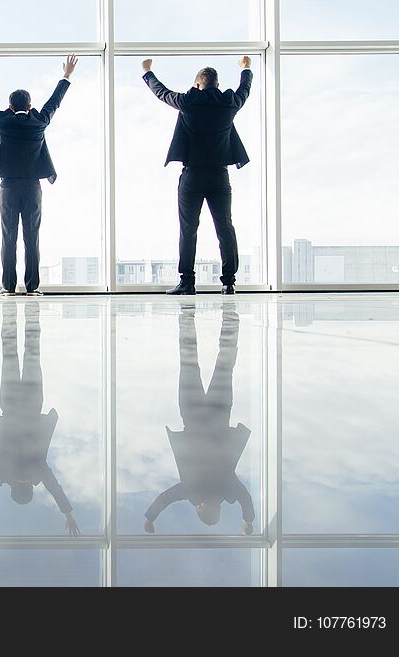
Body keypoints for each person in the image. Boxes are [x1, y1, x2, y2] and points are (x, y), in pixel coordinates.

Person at [0, 53, 78, 297]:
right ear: (30, 106)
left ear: (10, 106)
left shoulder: (1, 120)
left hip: (8, 188)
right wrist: (66, 76)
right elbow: (55, 101)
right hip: (33, 188)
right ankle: (32, 288)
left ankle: (9, 287)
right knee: (32, 237)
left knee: (8, 236)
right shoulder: (39, 121)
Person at [0, 300, 80, 538]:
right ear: (17, 487)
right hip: (12, 402)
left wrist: (68, 514)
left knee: (31, 353)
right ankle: (13, 313)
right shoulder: (6, 474)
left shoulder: (34, 473)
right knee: (11, 354)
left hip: (32, 402)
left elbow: (54, 488)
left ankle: (29, 311)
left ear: (26, 487)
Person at [142, 56, 253, 295]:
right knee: (225, 227)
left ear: (197, 85)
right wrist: (246, 69)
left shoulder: (188, 101)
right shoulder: (228, 102)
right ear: (217, 84)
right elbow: (245, 91)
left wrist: (148, 72)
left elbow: (162, 93)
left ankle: (187, 282)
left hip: (192, 176)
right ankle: (229, 282)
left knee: (188, 229)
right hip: (219, 176)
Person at [144, 302, 254, 535]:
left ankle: (230, 316)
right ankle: (186, 316)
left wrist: (249, 521)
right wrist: (150, 519)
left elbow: (245, 498)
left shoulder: (227, 489)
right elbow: (166, 498)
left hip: (218, 413)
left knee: (225, 362)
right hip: (192, 414)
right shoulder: (191, 491)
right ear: (201, 509)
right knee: (188, 360)